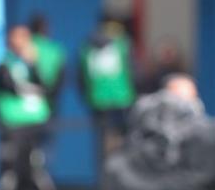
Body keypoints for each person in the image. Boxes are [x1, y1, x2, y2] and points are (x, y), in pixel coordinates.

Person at [0, 25, 52, 190]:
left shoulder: (32, 63)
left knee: (31, 163)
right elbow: (9, 87)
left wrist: (32, 64)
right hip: (13, 121)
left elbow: (44, 86)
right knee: (11, 163)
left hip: (33, 120)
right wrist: (29, 90)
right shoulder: (5, 64)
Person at [78, 14, 136, 179]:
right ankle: (120, 180)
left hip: (97, 100)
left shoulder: (86, 46)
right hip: (122, 99)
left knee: (101, 144)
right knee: (122, 143)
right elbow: (133, 72)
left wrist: (88, 97)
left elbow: (81, 78)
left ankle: (103, 182)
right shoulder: (123, 44)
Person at [29, 14, 66, 113]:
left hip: (32, 96)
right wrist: (54, 91)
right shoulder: (55, 49)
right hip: (51, 95)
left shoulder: (28, 47)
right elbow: (62, 73)